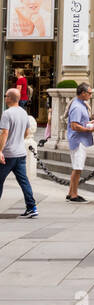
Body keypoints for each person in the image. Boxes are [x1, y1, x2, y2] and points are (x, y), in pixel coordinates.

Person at [0, 87, 37, 217]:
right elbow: (27, 132)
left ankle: (32, 207)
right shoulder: (23, 112)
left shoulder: (7, 113)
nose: (5, 98)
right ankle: (32, 207)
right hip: (20, 153)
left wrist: (0, 151)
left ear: (9, 98)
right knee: (24, 181)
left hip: (8, 154)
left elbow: (4, 133)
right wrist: (18, 141)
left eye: (5, 96)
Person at [66, 82, 94, 202]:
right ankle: (74, 194)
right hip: (78, 140)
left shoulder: (80, 104)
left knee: (77, 167)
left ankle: (70, 193)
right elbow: (74, 125)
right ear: (83, 93)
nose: (91, 95)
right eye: (89, 93)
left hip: (78, 139)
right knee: (78, 168)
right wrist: (89, 129)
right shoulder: (77, 106)